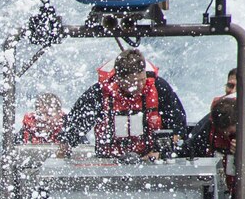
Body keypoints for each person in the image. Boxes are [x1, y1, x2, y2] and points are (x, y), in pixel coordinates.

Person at [57, 48, 187, 160]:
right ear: (118, 79)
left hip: (151, 159)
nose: (140, 86)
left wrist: (160, 152)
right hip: (110, 162)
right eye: (133, 83)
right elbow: (71, 130)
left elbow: (179, 127)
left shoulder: (159, 88)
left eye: (142, 80)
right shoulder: (99, 93)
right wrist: (62, 156)